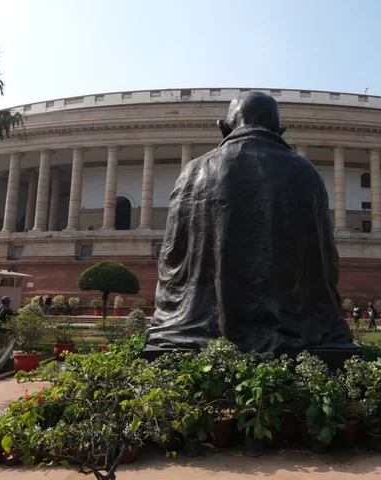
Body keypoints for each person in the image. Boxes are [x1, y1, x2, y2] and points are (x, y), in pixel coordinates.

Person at [147, 91, 353, 351]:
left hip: (197, 325)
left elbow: (171, 257)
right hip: (299, 327)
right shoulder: (307, 173)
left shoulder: (193, 172)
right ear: (280, 130)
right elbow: (326, 259)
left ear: (223, 128)